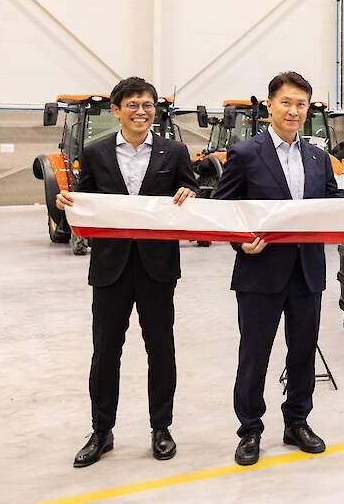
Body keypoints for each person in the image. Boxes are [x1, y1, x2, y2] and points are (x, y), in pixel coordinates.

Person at [213, 71, 344, 466]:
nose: (293, 111)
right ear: (270, 105)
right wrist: (239, 242)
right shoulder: (246, 154)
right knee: (255, 354)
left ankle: (297, 421)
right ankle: (250, 429)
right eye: (286, 102)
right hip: (259, 273)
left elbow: (330, 203)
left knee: (302, 353)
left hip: (307, 272)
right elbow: (224, 208)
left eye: (301, 104)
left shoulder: (319, 158)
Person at [56, 76, 199, 468]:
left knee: (161, 350)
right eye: (133, 105)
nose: (141, 111)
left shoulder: (174, 152)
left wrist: (191, 193)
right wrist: (67, 202)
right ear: (117, 110)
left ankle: (161, 427)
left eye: (148, 105)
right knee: (105, 353)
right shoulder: (96, 153)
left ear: (156, 110)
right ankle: (101, 431)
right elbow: (83, 201)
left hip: (157, 268)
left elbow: (191, 193)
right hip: (110, 269)